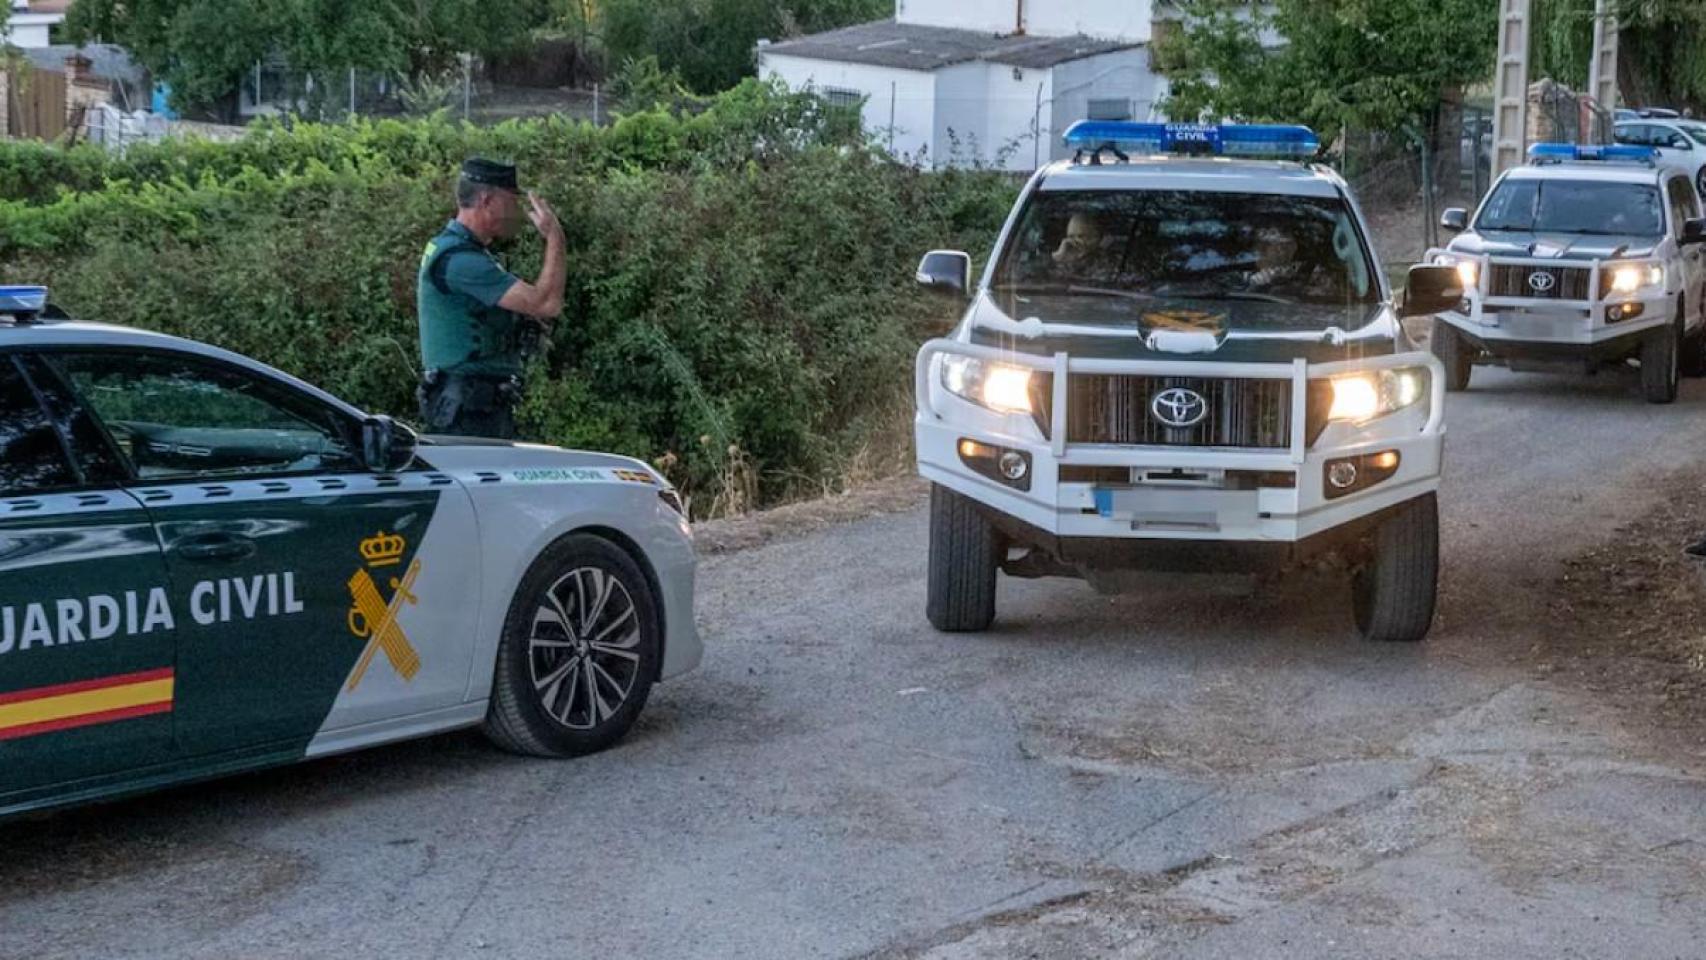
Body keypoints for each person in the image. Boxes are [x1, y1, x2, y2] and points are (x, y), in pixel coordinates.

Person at [416, 158, 567, 439]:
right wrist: (555, 237)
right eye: (512, 201)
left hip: (473, 404)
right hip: (468, 412)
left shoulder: (459, 251)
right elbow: (547, 303)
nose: (517, 213)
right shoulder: (462, 261)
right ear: (487, 200)